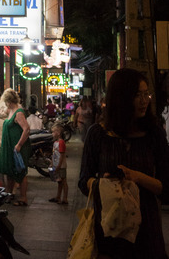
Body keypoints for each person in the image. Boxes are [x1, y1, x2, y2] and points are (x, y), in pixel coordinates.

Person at [78, 68, 169, 259]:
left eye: (146, 94)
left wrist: (137, 178)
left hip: (147, 230)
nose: (145, 101)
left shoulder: (154, 134)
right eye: (138, 95)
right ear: (121, 98)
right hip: (110, 228)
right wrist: (103, 184)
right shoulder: (98, 134)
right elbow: (84, 181)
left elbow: (166, 187)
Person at [0, 88, 31, 206]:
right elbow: (3, 113)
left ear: (9, 101)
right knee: (9, 170)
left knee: (20, 171)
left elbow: (26, 129)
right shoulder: (10, 110)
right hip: (9, 144)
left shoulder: (19, 113)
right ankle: (9, 193)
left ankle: (23, 197)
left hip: (17, 146)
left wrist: (19, 144)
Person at [48, 124, 68, 205]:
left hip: (61, 166)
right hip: (57, 165)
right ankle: (58, 197)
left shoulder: (61, 142)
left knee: (63, 181)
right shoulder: (56, 142)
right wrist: (52, 164)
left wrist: (58, 167)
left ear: (58, 133)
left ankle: (65, 198)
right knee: (59, 182)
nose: (52, 134)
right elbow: (54, 155)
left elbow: (62, 156)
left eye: (53, 132)